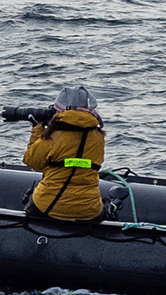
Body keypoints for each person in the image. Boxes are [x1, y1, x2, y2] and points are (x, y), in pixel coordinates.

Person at [20, 85, 107, 222]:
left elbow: (32, 161)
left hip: (49, 205)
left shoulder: (53, 136)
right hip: (89, 209)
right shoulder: (98, 136)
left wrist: (37, 130)